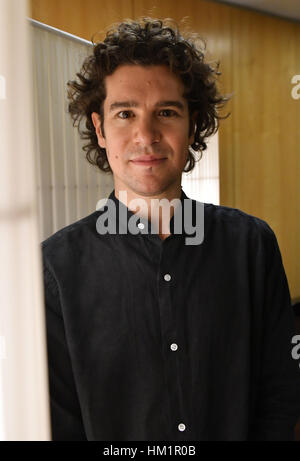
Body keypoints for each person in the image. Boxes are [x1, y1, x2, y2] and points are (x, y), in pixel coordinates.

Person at [41, 17, 300, 441]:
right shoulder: (55, 267)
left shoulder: (251, 245)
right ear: (100, 129)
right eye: (125, 113)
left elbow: (280, 389)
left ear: (192, 124)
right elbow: (56, 420)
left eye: (166, 112)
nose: (146, 134)